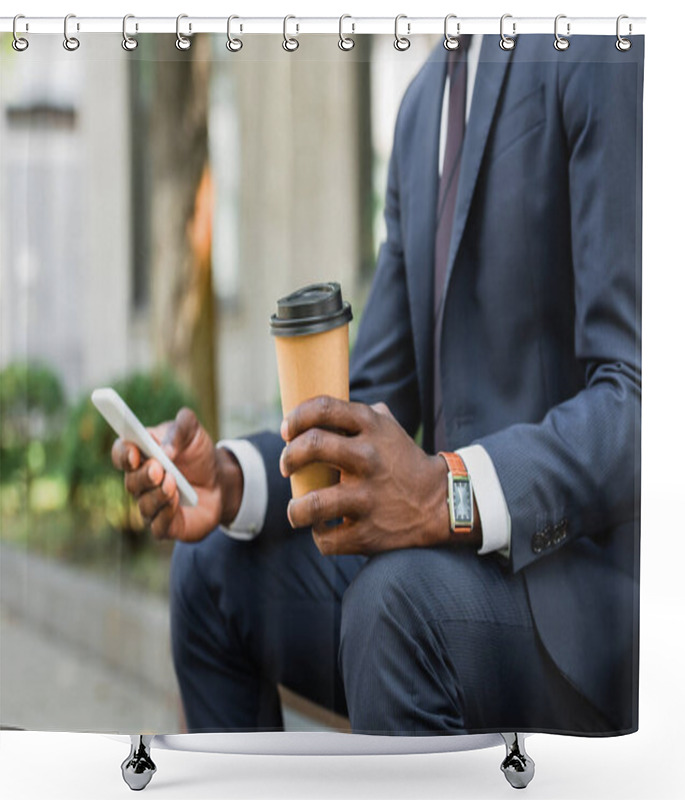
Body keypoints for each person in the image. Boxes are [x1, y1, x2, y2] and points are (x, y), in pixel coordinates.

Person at [112, 34, 642, 736]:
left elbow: (638, 398)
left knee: (394, 608)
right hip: (447, 580)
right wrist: (231, 482)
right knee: (211, 567)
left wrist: (444, 492)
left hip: (586, 601)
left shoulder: (599, 44)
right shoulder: (424, 103)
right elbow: (370, 403)